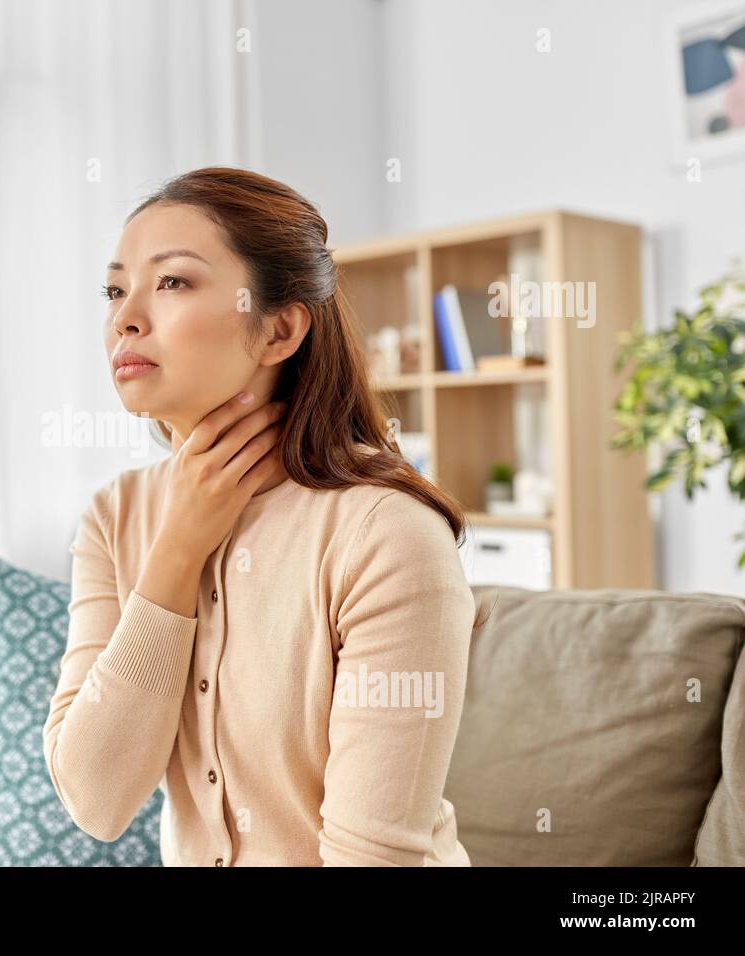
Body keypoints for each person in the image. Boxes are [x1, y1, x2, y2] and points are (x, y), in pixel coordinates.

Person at [43, 166, 489, 866]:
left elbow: (373, 857)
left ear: (279, 329)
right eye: (114, 289)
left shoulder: (387, 536)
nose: (125, 315)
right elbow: (96, 801)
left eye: (172, 282)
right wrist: (176, 551)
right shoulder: (114, 517)